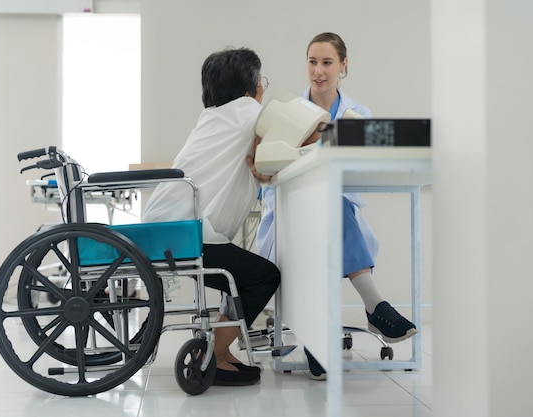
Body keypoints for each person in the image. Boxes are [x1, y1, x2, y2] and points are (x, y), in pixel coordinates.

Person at [255, 32, 417, 380]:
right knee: (325, 216)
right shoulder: (287, 111)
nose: (318, 70)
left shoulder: (359, 113)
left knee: (332, 209)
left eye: (327, 62)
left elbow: (362, 170)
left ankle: (318, 339)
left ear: (343, 66)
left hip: (337, 215)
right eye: (312, 61)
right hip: (290, 214)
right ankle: (375, 306)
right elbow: (270, 167)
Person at [142, 47, 280, 387]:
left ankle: (221, 353)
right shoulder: (246, 110)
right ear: (250, 87)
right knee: (263, 276)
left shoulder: (215, 117)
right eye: (260, 80)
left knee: (239, 279)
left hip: (167, 230)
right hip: (189, 234)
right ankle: (212, 355)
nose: (263, 88)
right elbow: (297, 131)